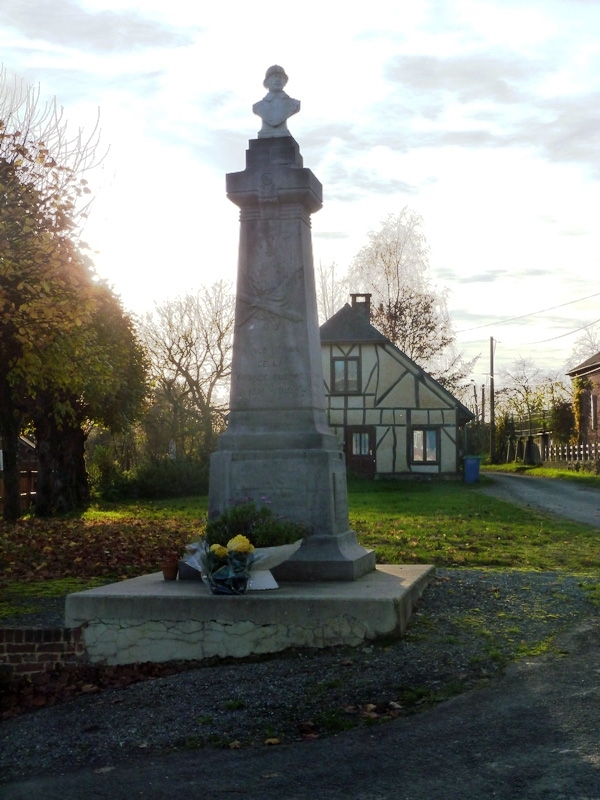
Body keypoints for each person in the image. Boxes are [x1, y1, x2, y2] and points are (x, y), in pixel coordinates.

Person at [252, 65, 300, 138]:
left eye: (281, 77)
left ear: (285, 81)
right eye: (274, 77)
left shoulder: (294, 103)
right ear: (266, 82)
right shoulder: (258, 106)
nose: (278, 80)